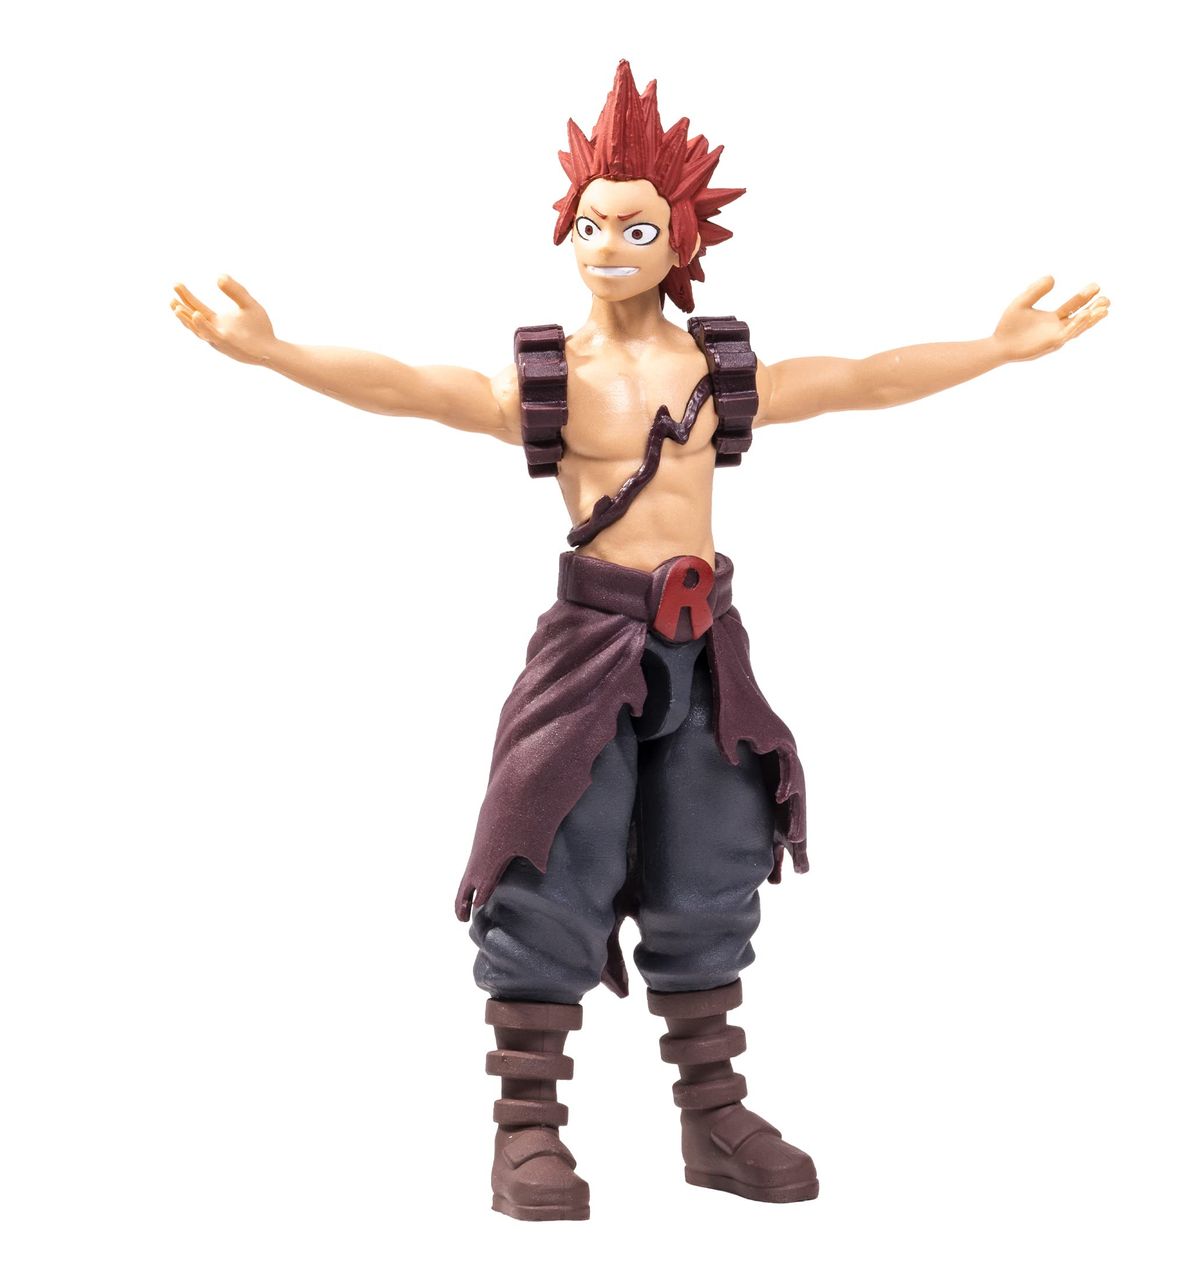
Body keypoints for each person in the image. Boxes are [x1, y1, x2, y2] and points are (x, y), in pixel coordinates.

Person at [171, 59, 1108, 1222]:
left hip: (704, 644)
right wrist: (276, 352)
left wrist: (995, 347)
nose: (606, 245)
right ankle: (526, 1126)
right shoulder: (551, 378)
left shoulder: (713, 371)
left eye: (634, 226)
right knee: (546, 849)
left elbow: (860, 380)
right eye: (590, 223)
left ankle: (712, 1112)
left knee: (712, 855)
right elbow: (416, 387)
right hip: (591, 644)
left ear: (680, 242)